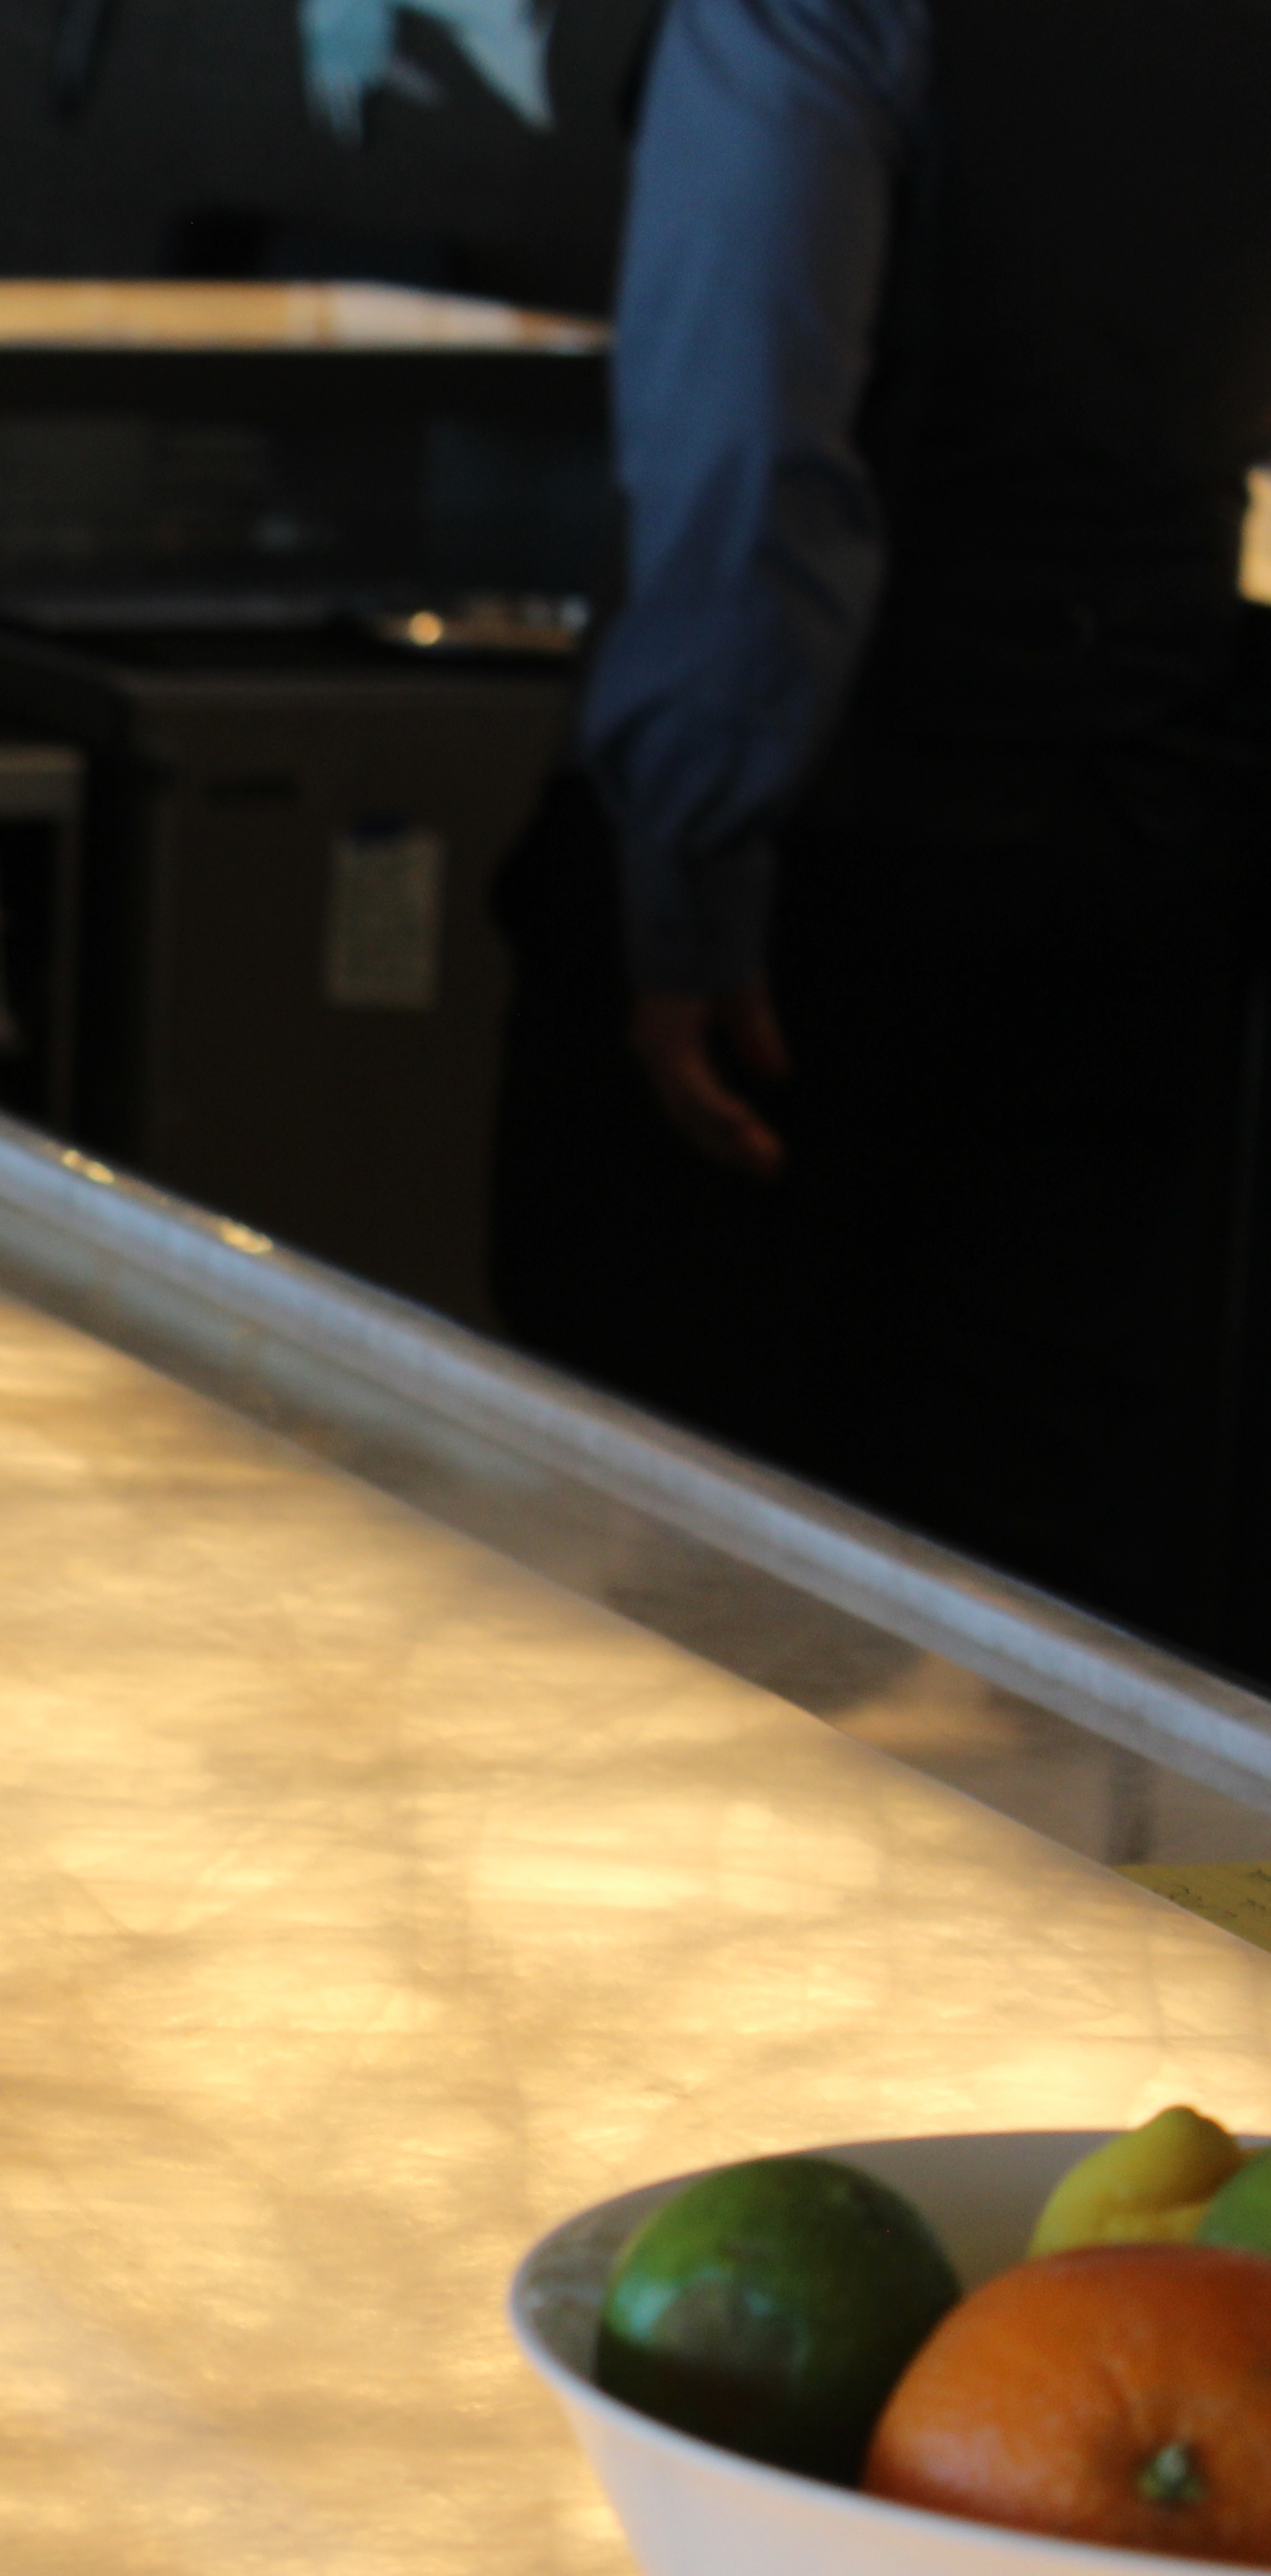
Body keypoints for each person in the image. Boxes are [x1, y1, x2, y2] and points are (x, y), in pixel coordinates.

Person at [490, 0, 1271, 1664]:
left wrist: (686, 878)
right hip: (1140, 838)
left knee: (679, 1567)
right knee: (1044, 1592)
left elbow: (756, 455)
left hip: (829, 874)